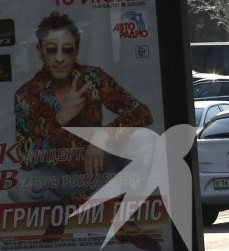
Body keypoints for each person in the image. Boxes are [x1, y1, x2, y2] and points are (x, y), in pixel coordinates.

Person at [10, 11, 152, 201]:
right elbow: (26, 158)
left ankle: (124, 214)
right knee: (19, 187)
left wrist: (104, 137)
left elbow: (142, 112)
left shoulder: (93, 78)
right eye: (52, 50)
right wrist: (60, 119)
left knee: (143, 143)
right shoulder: (27, 94)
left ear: (76, 50)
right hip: (57, 177)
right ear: (40, 50)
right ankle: (61, 218)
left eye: (67, 50)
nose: (59, 59)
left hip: (100, 169)